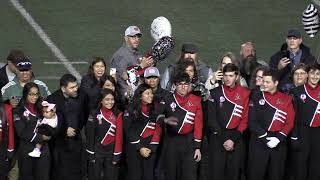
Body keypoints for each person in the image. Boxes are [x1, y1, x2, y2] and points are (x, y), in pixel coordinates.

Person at [247, 70, 295, 180]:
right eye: (263, 81)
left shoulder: (286, 99)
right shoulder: (255, 97)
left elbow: (290, 121)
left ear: (276, 83)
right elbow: (252, 122)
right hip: (258, 142)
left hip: (279, 144)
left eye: (267, 82)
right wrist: (265, 138)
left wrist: (279, 138)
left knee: (276, 175)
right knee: (255, 175)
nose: (264, 84)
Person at [206, 63, 250, 180]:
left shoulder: (245, 93)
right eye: (225, 75)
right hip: (218, 138)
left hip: (236, 139)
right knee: (216, 174)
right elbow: (211, 120)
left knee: (234, 174)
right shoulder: (214, 93)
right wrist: (224, 139)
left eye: (231, 75)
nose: (227, 78)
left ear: (236, 77)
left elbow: (245, 119)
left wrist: (233, 139)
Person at [155, 72, 203, 180]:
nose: (183, 87)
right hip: (172, 141)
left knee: (189, 175)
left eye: (185, 84)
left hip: (189, 143)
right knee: (171, 174)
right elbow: (155, 116)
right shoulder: (168, 99)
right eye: (180, 84)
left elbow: (198, 125)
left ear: (189, 85)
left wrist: (197, 148)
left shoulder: (196, 100)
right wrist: (165, 120)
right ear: (175, 85)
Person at [46, 74, 89, 180]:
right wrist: (64, 130)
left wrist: (77, 128)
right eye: (72, 87)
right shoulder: (52, 99)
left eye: (76, 86)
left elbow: (84, 115)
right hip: (59, 144)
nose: (76, 89)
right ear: (63, 89)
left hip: (76, 141)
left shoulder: (82, 96)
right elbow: (48, 121)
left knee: (77, 172)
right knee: (59, 173)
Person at [14, 82, 51, 180]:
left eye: (36, 94)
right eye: (31, 94)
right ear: (25, 94)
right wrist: (41, 137)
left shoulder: (43, 108)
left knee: (43, 176)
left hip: (43, 150)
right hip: (26, 150)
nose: (34, 97)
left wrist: (51, 132)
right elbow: (21, 132)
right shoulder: (18, 111)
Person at [124, 84, 162, 180]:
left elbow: (158, 128)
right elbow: (129, 129)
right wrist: (140, 147)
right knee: (135, 176)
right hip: (134, 148)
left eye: (152, 93)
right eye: (147, 93)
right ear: (140, 95)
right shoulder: (130, 109)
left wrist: (152, 147)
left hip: (150, 149)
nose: (151, 95)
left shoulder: (157, 108)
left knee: (149, 176)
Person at [290, 64, 320, 180]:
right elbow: (294, 116)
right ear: (307, 74)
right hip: (302, 132)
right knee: (300, 165)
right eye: (312, 73)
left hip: (318, 133)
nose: (315, 76)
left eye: (318, 74)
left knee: (316, 165)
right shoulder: (297, 91)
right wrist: (294, 136)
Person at [86, 89, 123, 180]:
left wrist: (116, 155)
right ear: (101, 101)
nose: (110, 102)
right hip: (97, 152)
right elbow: (90, 135)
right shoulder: (94, 114)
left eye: (112, 99)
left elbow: (119, 137)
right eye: (107, 99)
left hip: (111, 153)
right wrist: (91, 154)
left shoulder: (118, 114)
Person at [110, 25, 153, 100]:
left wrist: (148, 66)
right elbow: (123, 78)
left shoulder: (136, 53)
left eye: (138, 37)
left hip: (137, 94)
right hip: (125, 98)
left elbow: (138, 76)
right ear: (126, 38)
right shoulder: (120, 55)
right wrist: (141, 67)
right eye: (133, 37)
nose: (136, 39)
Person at [0, 93, 14, 180]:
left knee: (2, 172)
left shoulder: (7, 109)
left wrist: (10, 148)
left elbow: (11, 130)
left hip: (2, 146)